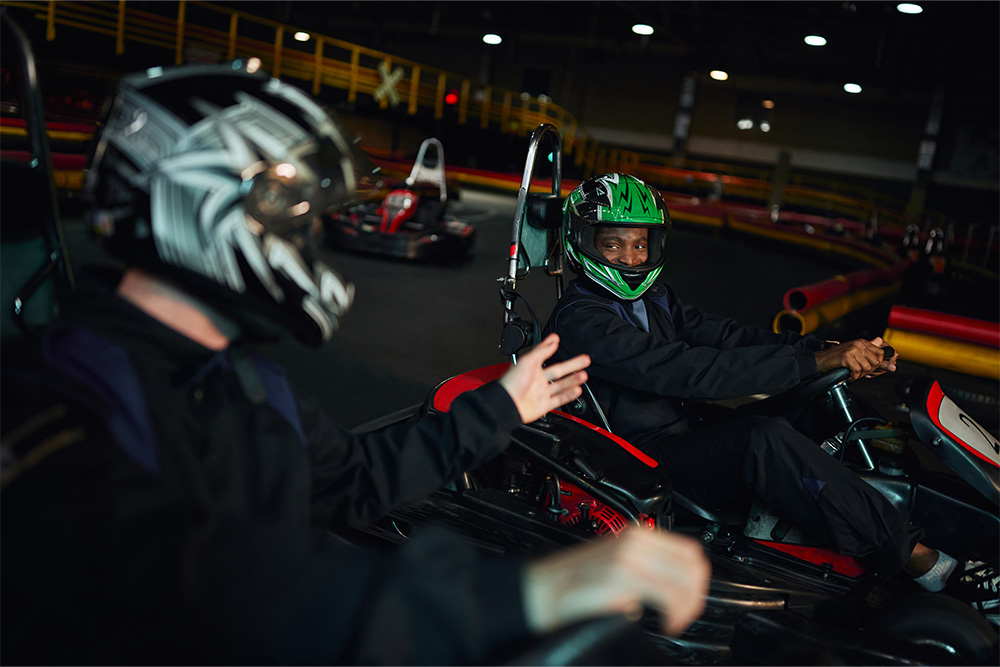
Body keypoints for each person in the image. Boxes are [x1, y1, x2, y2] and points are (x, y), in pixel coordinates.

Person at [0, 66, 710, 665]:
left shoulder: (244, 378)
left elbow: (354, 481)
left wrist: (501, 408)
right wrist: (527, 593)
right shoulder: (48, 398)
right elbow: (212, 591)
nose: (306, 237)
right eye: (286, 210)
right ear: (194, 200)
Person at [544, 172, 959, 591]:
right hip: (642, 457)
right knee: (763, 438)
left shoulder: (655, 298)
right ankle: (914, 558)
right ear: (584, 243)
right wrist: (812, 362)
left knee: (817, 402)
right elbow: (689, 370)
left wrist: (823, 349)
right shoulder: (581, 320)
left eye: (639, 244)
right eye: (613, 245)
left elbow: (729, 337)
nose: (631, 259)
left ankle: (917, 514)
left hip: (690, 430)